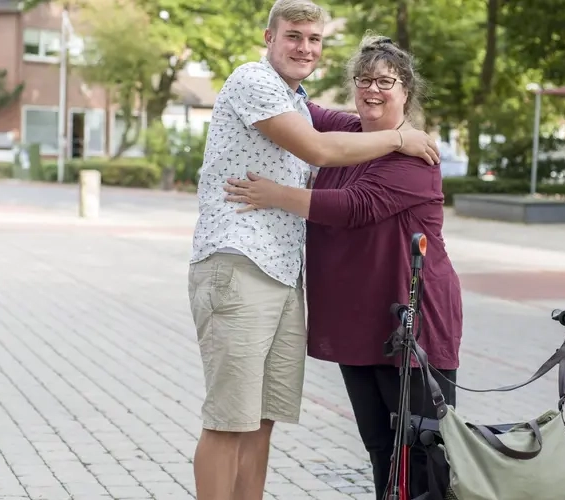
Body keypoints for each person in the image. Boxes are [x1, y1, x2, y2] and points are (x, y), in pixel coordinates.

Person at [187, 0, 441, 498]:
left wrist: (402, 134)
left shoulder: (298, 101)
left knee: (260, 420)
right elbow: (321, 150)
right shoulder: (252, 81)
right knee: (228, 420)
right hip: (239, 263)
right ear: (269, 38)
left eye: (314, 39)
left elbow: (341, 134)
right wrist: (400, 137)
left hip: (282, 276)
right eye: (294, 36)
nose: (305, 47)